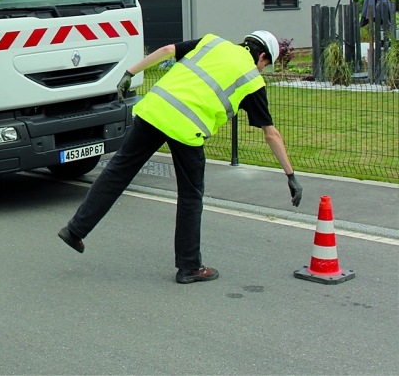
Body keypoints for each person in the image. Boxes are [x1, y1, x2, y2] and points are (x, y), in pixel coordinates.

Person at [57, 30, 303, 284]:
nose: (263, 69)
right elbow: (271, 134)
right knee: (190, 196)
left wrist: (129, 73)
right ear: (262, 56)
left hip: (155, 110)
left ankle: (75, 230)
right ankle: (189, 266)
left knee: (118, 171)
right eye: (266, 64)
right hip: (186, 130)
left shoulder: (212, 42)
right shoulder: (252, 80)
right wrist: (290, 175)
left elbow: (166, 51)